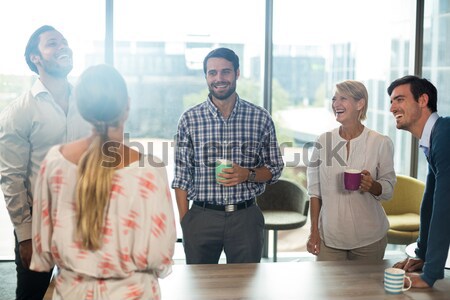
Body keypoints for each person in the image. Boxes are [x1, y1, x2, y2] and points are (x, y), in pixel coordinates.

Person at [30, 64, 177, 299]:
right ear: (127, 106)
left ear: (82, 108)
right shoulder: (149, 169)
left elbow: (42, 247)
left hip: (72, 292)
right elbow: (161, 254)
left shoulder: (55, 162)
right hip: (133, 293)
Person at [0, 25, 91, 299]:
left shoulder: (87, 105)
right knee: (33, 296)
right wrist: (25, 235)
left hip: (83, 224)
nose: (63, 47)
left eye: (65, 42)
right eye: (53, 43)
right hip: (40, 227)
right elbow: (12, 178)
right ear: (35, 58)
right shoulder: (20, 111)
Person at [172, 47, 284, 264]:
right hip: (201, 217)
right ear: (206, 76)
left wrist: (247, 174)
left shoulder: (260, 117)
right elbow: (181, 177)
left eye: (225, 72)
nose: (219, 78)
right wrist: (186, 222)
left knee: (245, 289)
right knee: (200, 291)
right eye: (212, 73)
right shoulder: (189, 119)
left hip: (246, 218)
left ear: (237, 73)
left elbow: (275, 168)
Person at [306, 80, 396, 261]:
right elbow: (314, 192)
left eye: (343, 99)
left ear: (360, 103)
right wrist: (313, 231)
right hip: (330, 238)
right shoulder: (323, 141)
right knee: (328, 289)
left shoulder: (380, 142)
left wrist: (372, 186)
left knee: (366, 290)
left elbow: (388, 189)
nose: (335, 104)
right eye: (334, 99)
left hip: (369, 238)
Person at [388, 75, 450, 288]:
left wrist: (429, 275)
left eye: (399, 99)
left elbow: (444, 208)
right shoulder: (436, 137)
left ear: (423, 101)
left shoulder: (445, 135)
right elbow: (430, 201)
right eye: (391, 101)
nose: (392, 108)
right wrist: (421, 254)